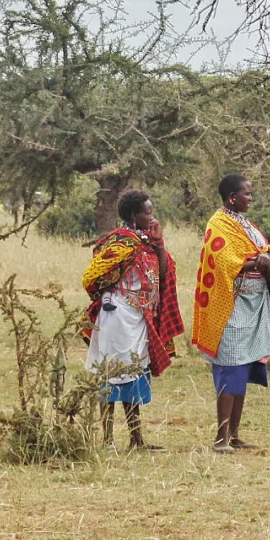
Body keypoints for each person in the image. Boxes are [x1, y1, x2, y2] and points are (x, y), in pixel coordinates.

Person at [192, 174, 270, 453]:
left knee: (243, 369)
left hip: (253, 301)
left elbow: (264, 248)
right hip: (231, 305)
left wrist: (268, 258)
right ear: (232, 197)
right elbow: (224, 260)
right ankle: (220, 439)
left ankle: (235, 435)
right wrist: (256, 262)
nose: (251, 198)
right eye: (247, 194)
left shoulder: (246, 224)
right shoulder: (218, 224)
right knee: (230, 367)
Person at [81, 190, 183, 451]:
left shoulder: (148, 242)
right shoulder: (120, 242)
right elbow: (92, 276)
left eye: (151, 211)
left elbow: (162, 275)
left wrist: (159, 244)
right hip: (117, 316)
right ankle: (107, 441)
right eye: (147, 212)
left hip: (138, 318)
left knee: (135, 373)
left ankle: (136, 439)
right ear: (133, 216)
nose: (152, 216)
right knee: (112, 374)